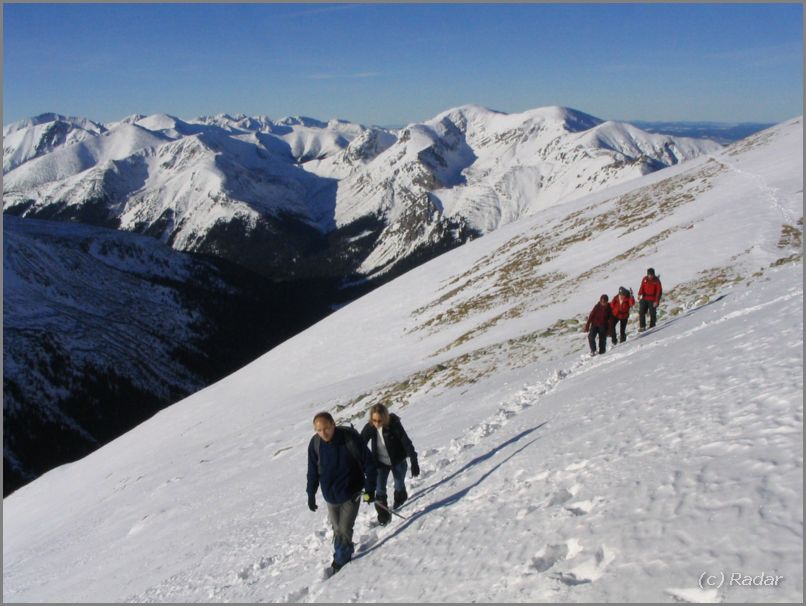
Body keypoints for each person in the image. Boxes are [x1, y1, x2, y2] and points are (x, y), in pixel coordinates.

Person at [306, 412, 377, 574]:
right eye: (319, 430)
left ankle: (341, 561)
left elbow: (369, 463)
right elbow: (312, 471)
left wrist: (370, 488)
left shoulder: (349, 439)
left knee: (345, 530)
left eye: (326, 428)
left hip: (352, 493)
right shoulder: (315, 444)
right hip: (330, 495)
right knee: (337, 529)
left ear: (333, 424)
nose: (323, 433)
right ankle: (341, 552)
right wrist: (311, 493)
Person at [361, 403, 419, 526]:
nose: (377, 423)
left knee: (399, 483)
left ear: (385, 418)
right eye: (374, 420)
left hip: (398, 461)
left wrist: (414, 460)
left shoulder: (394, 425)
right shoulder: (370, 428)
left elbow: (406, 442)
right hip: (380, 463)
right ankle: (383, 514)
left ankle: (400, 498)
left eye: (379, 420)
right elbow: (359, 445)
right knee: (379, 488)